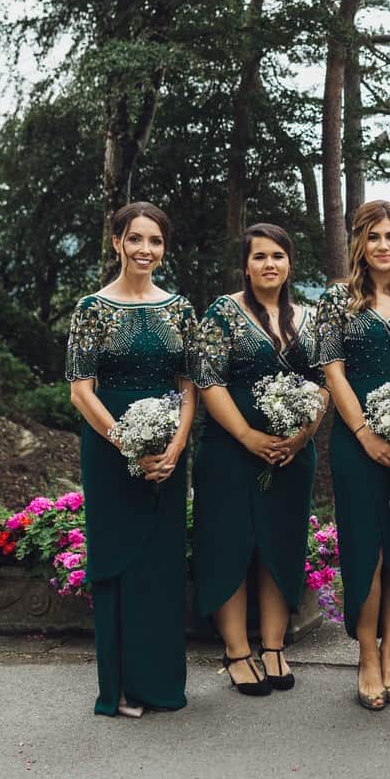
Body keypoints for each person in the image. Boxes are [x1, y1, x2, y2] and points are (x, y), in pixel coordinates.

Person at [66, 202, 197, 717]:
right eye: (136, 239)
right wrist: (128, 444)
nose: (146, 249)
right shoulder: (92, 309)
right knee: (116, 561)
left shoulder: (180, 310)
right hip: (109, 451)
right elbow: (81, 391)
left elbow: (189, 386)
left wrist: (175, 445)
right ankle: (117, 688)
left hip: (168, 451)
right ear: (117, 242)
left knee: (162, 565)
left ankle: (158, 684)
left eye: (155, 241)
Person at [190, 224, 328, 697]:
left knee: (278, 545)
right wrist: (248, 436)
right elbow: (208, 381)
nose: (270, 264)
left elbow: (323, 384)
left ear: (290, 264)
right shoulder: (223, 313)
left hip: (291, 457)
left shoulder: (309, 319)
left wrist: (302, 434)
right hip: (228, 453)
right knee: (230, 545)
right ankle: (236, 651)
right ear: (246, 266)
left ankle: (272, 647)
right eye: (260, 256)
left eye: (278, 256)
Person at [315, 201, 390, 710]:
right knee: (368, 551)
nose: (383, 246)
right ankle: (366, 654)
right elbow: (333, 373)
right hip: (355, 440)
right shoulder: (336, 300)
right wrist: (365, 434)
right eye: (373, 237)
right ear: (359, 244)